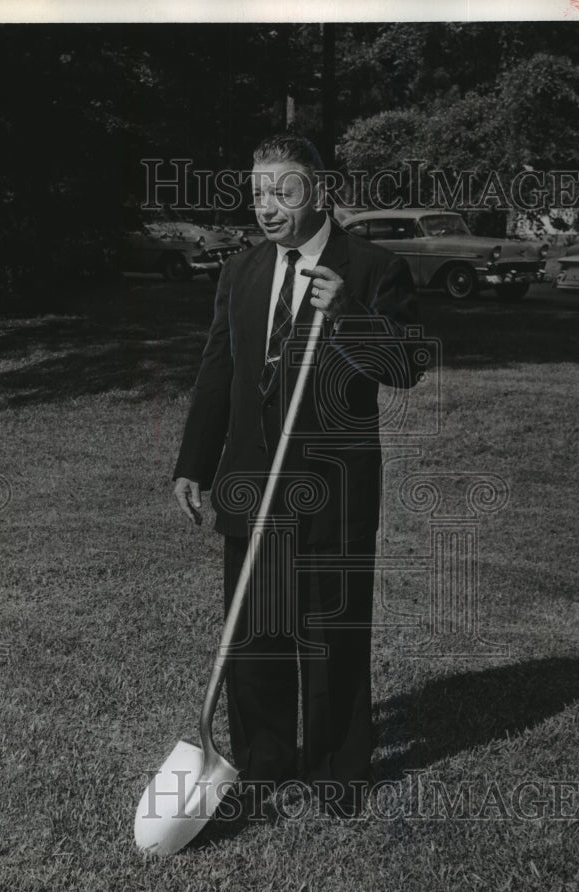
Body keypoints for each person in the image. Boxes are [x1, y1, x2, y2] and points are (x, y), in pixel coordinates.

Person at [173, 134, 421, 818]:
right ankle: (263, 759)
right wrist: (195, 464)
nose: (267, 206)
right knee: (256, 626)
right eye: (257, 193)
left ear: (320, 191)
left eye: (282, 190)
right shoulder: (243, 270)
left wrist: (347, 314)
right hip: (250, 480)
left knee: (330, 627)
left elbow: (404, 367)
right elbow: (218, 369)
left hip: (334, 487)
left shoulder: (373, 269)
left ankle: (338, 767)